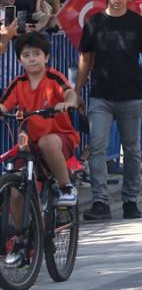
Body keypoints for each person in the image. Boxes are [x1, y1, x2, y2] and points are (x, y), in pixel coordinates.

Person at [76, 0, 142, 221]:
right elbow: (85, 59)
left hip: (131, 95)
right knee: (97, 148)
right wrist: (76, 92)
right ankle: (100, 202)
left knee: (133, 151)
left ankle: (130, 201)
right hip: (100, 96)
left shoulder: (138, 23)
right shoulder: (94, 23)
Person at [0, 32, 81, 266]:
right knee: (15, 191)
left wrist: (67, 102)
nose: (32, 59)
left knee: (47, 142)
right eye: (26, 55)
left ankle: (66, 187)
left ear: (46, 57)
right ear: (20, 60)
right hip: (30, 145)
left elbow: (70, 92)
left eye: (36, 54)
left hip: (59, 139)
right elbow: (5, 104)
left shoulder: (54, 78)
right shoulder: (19, 83)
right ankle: (22, 238)